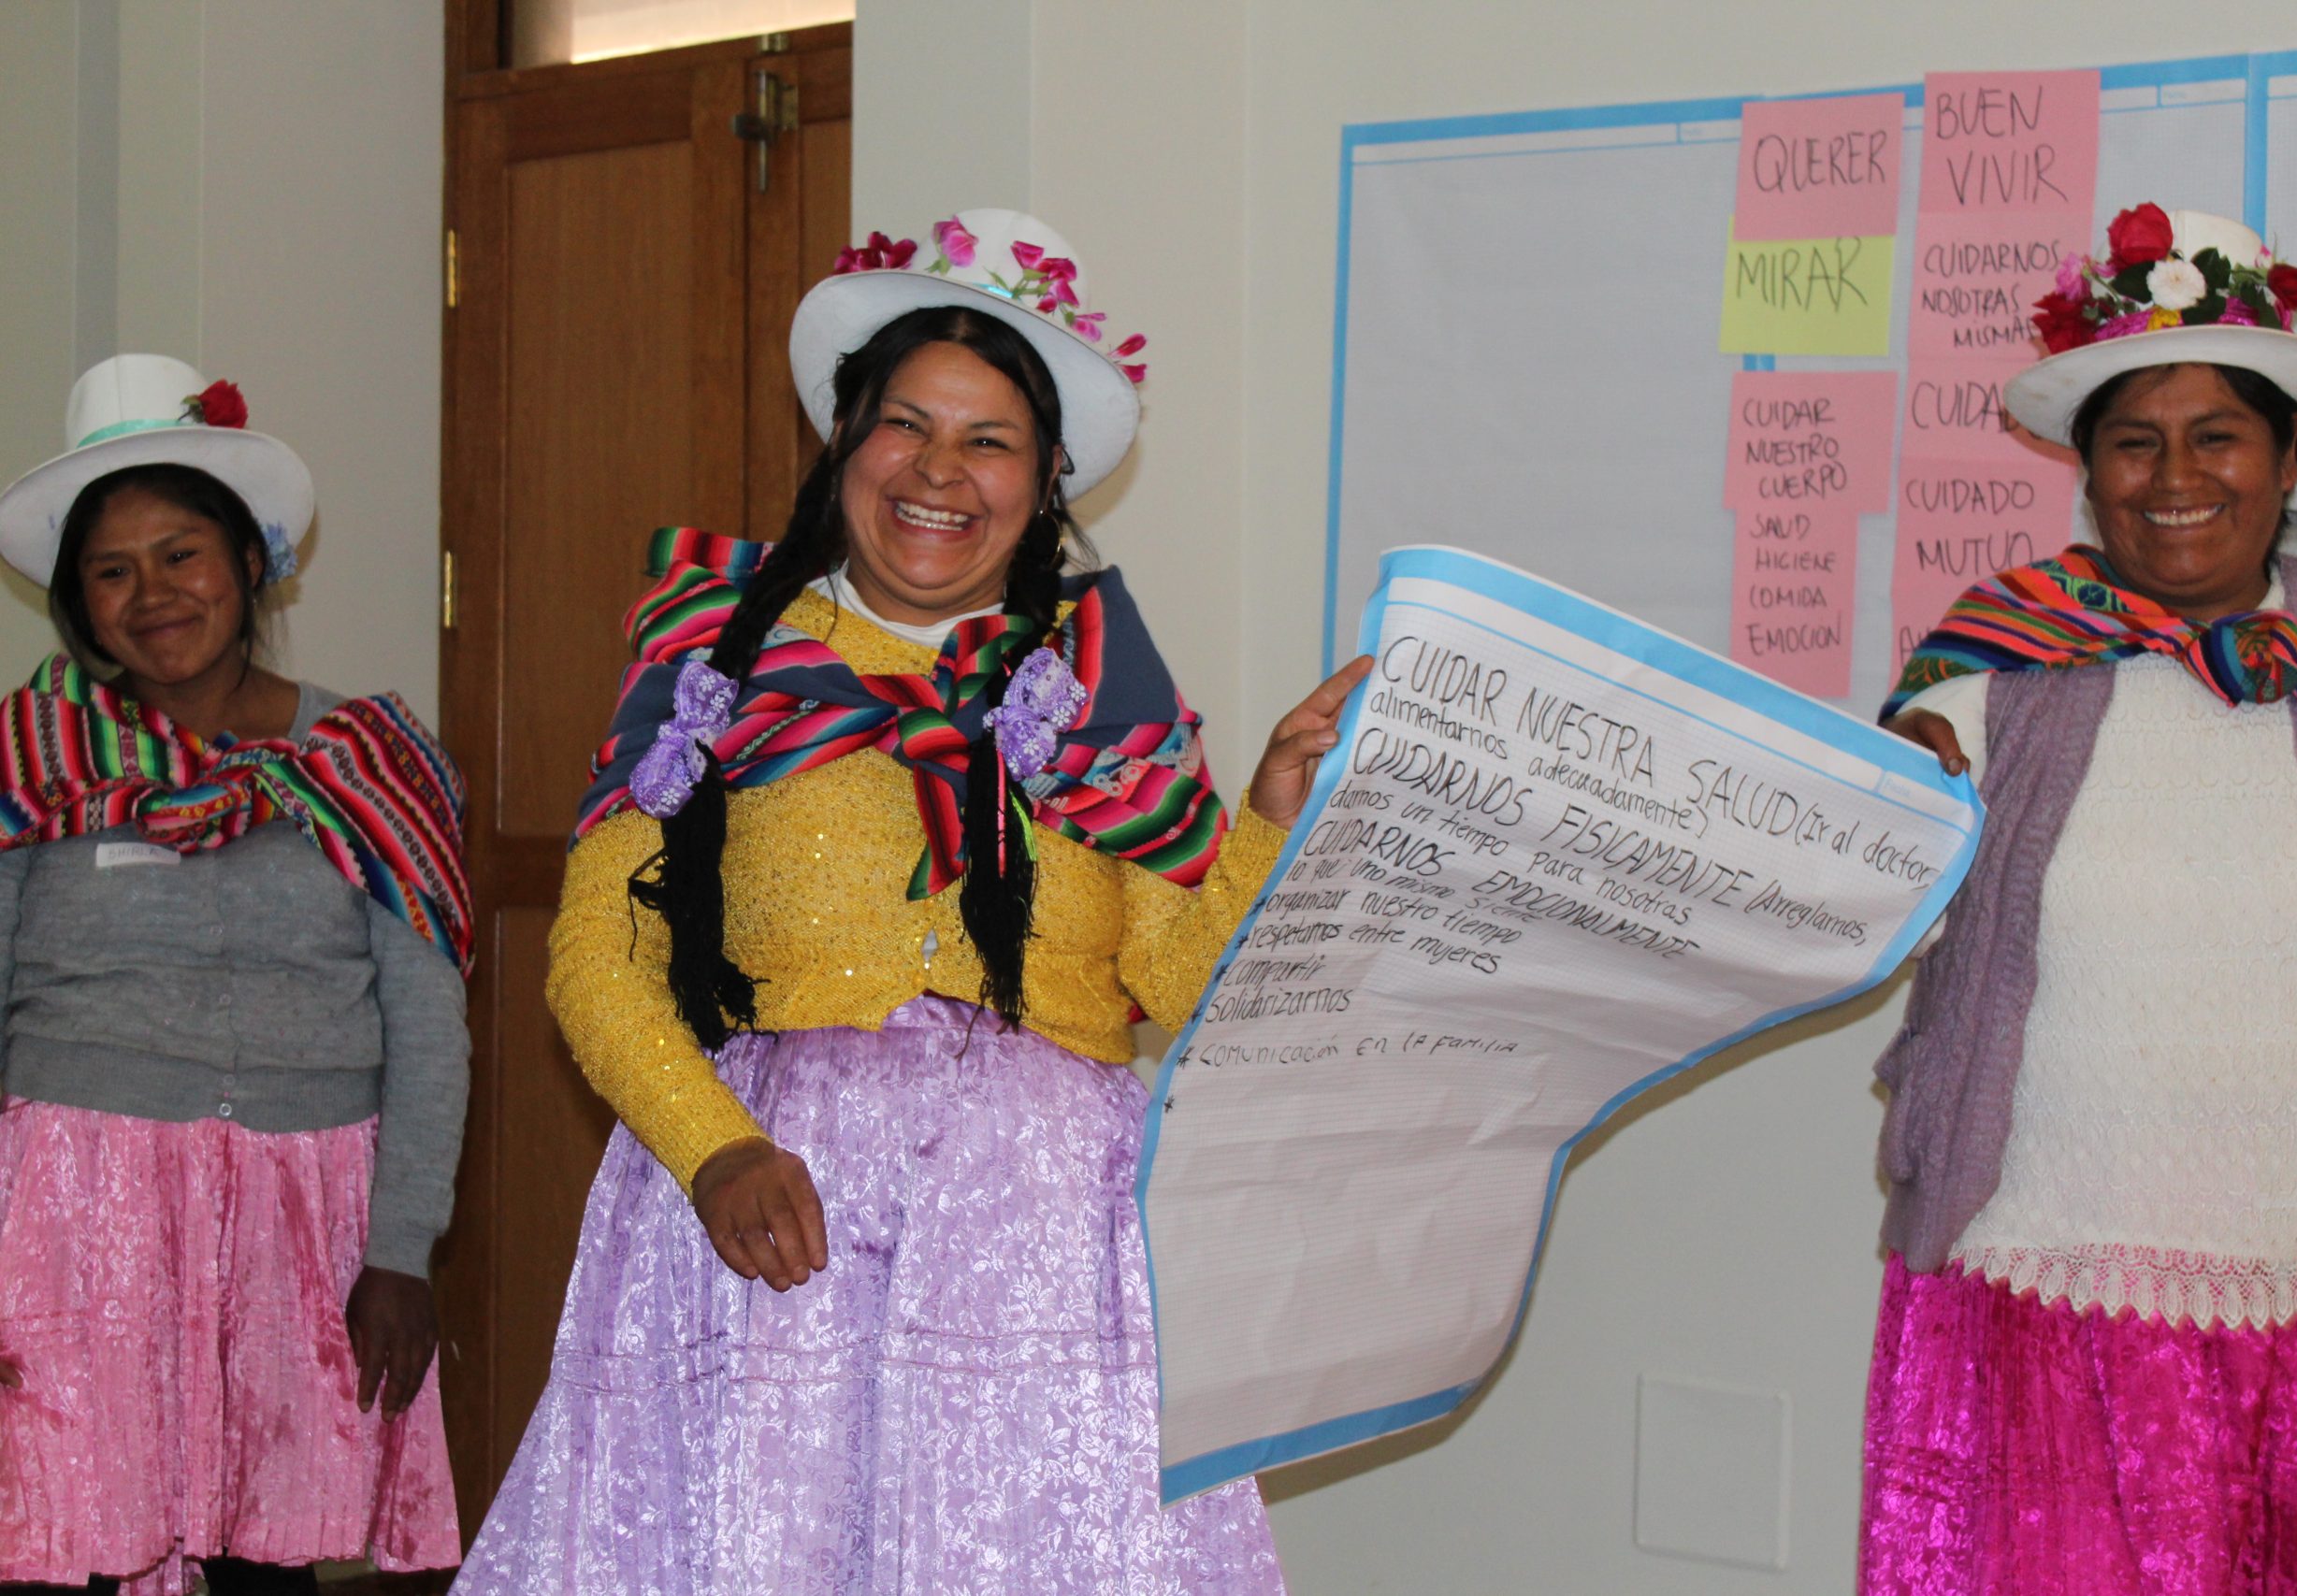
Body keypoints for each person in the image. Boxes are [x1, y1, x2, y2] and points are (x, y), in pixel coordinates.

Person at [454, 210, 1364, 1594]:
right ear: (844, 442)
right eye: (905, 426)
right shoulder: (716, 653)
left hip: (1044, 1249)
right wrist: (713, 1149)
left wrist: (1268, 825)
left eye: (989, 440)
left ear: (1045, 481)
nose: (940, 471)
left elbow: (1184, 987)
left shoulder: (1104, 680)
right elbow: (597, 956)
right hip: (772, 1225)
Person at [1868, 206, 2297, 1589]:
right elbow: (1841, 895)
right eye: (2134, 442)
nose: (2177, 477)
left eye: (2218, 435)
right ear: (2090, 469)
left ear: (2289, 456)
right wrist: (1885, 798)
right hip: (2040, 1285)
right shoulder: (1997, 668)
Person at [0, 356, 472, 1596]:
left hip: (303, 1223)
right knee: (64, 1557)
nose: (153, 593)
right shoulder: (36, 755)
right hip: (71, 1220)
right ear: (78, 603)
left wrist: (403, 1250)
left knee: (270, 1565)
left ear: (252, 564)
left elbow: (428, 1019)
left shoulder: (371, 759)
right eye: (112, 570)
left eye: (182, 554)